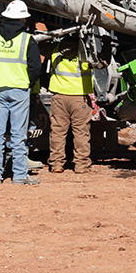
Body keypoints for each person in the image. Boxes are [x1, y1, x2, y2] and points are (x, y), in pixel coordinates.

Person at [0, 0, 42, 185]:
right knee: (18, 134)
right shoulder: (26, 39)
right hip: (19, 90)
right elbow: (35, 67)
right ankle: (20, 176)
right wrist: (28, 83)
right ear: (23, 19)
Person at [47, 37, 94, 174]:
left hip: (59, 97)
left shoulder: (55, 50)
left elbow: (42, 47)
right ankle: (81, 165)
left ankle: (56, 163)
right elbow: (102, 63)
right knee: (81, 132)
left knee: (57, 132)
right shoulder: (86, 54)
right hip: (79, 98)